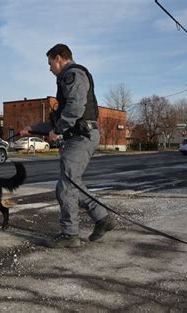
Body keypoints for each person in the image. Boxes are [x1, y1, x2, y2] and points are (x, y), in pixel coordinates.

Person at [20, 43, 116, 248]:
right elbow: (59, 119)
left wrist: (59, 129)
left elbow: (75, 107)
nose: (49, 69)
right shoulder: (65, 80)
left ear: (58, 58)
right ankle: (102, 218)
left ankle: (70, 234)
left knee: (65, 186)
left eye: (50, 63)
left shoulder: (74, 75)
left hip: (82, 136)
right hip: (79, 136)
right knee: (71, 184)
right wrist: (33, 129)